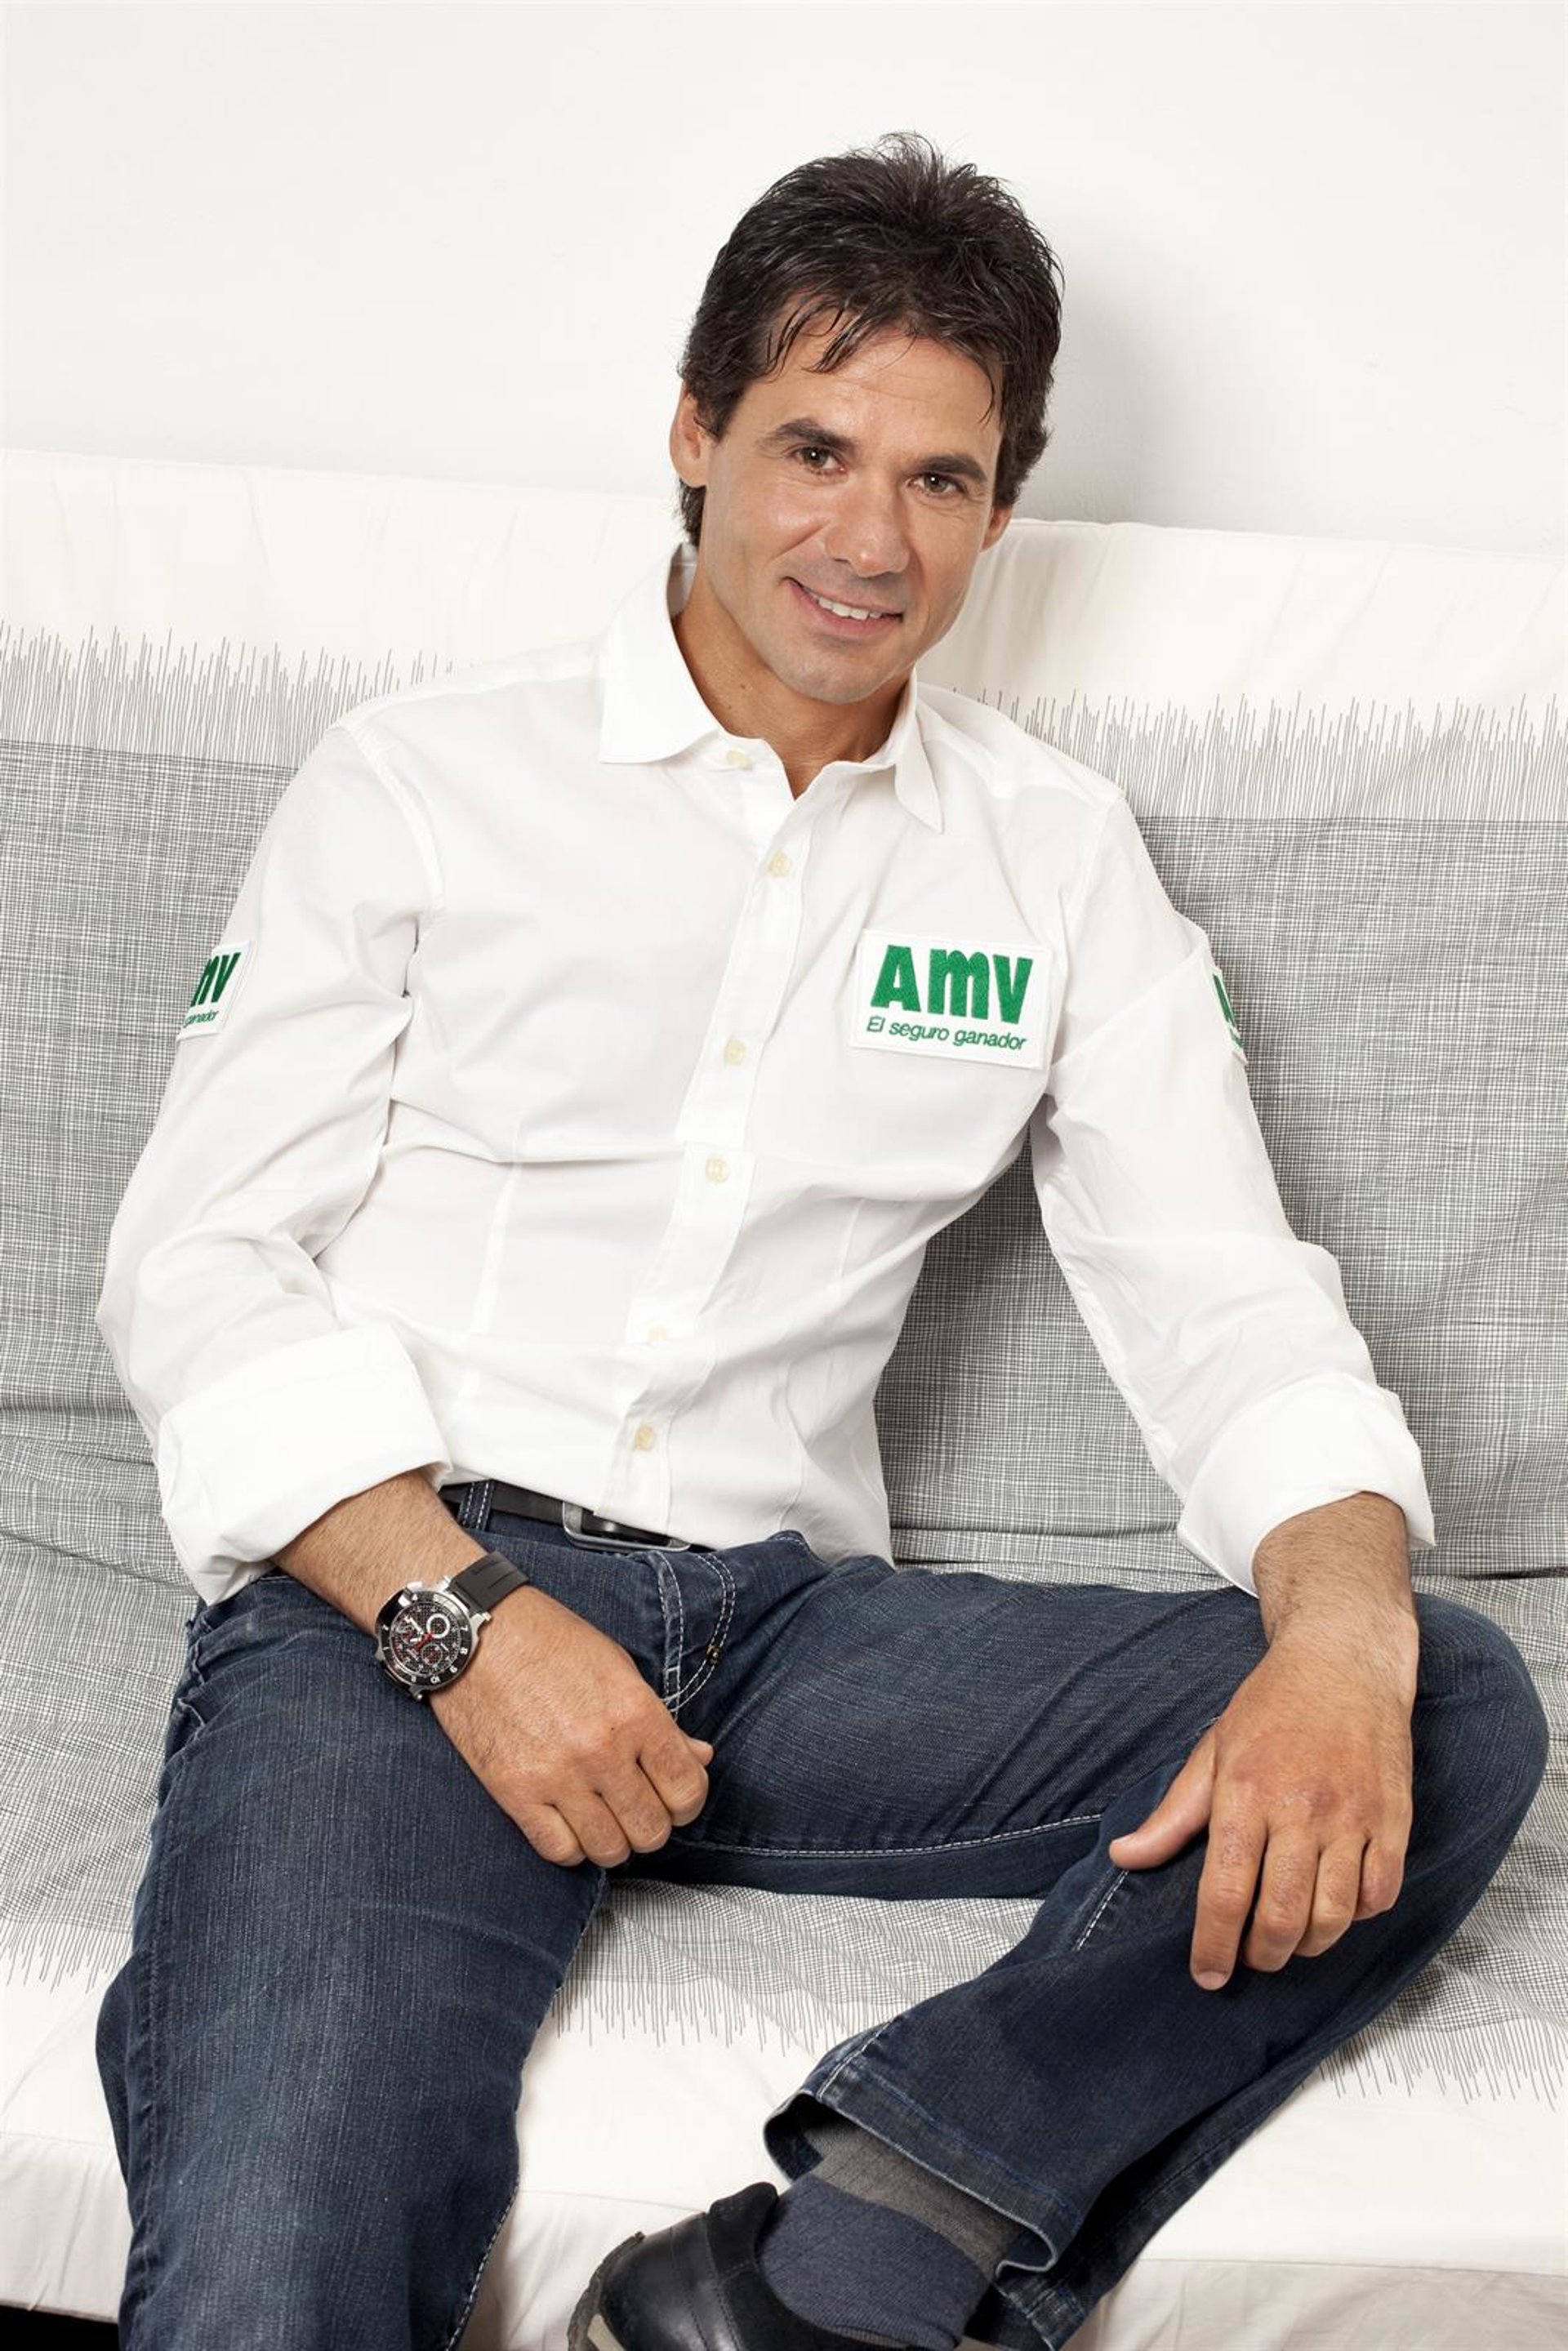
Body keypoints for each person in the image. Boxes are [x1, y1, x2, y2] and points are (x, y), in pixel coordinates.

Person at [92, 131, 1548, 2351]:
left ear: (1002, 509)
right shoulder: (418, 781)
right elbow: (195, 1264)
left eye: (941, 479)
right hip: (404, 1608)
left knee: (1426, 1694)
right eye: (814, 451)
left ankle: (840, 2262)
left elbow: (1226, 1296)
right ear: (695, 434)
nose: (871, 542)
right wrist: (466, 1626)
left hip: (789, 1647)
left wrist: (1340, 1636)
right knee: (282, 2248)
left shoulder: (1053, 857)